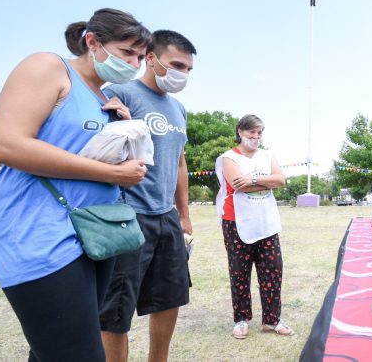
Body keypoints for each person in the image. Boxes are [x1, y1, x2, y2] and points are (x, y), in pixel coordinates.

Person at [0, 8, 149, 361]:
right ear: (92, 42)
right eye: (126, 53)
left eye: (139, 56)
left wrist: (124, 130)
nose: (135, 63)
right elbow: (5, 143)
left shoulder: (102, 97)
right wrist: (109, 173)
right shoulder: (48, 67)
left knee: (56, 350)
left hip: (94, 235)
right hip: (42, 236)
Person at [99, 30, 196, 362]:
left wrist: (183, 214)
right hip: (127, 214)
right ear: (151, 59)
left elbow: (180, 162)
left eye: (188, 69)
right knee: (116, 308)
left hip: (165, 215)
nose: (182, 74)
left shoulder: (179, 108)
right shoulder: (120, 92)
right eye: (176, 64)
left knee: (170, 297)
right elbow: (98, 149)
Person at [215, 115, 293, 338]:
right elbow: (237, 185)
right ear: (240, 131)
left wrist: (253, 180)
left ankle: (272, 319)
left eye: (260, 132)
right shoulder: (228, 157)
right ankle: (241, 319)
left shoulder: (268, 155)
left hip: (266, 222)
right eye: (252, 132)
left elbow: (281, 180)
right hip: (236, 221)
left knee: (273, 270)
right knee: (239, 272)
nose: (256, 137)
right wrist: (263, 180)